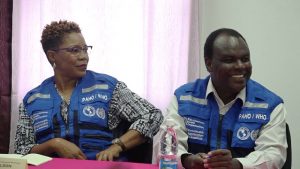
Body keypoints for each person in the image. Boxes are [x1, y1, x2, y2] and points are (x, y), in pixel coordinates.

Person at [14, 20, 163, 161]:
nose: (84, 57)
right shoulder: (32, 100)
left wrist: (118, 145)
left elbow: (152, 116)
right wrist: (54, 144)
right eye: (75, 50)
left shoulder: (108, 88)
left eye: (85, 49)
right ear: (52, 56)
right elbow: (20, 151)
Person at [156, 28, 287, 169]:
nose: (240, 66)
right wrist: (187, 160)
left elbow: (274, 155)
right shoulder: (184, 98)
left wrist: (237, 165)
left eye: (245, 59)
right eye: (229, 60)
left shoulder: (269, 105)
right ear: (209, 64)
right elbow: (165, 146)